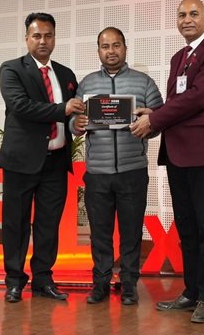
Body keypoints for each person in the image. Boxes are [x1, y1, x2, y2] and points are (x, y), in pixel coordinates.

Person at [130, 0, 204, 323]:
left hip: (202, 152)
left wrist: (156, 119)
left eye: (193, 14)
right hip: (176, 151)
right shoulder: (179, 57)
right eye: (181, 15)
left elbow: (198, 97)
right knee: (186, 227)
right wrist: (154, 112)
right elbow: (180, 100)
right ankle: (191, 291)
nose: (187, 19)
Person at [70, 27, 163, 305]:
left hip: (133, 172)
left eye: (116, 45)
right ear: (98, 50)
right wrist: (76, 124)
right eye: (105, 46)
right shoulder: (86, 84)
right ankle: (100, 283)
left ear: (125, 48)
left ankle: (129, 284)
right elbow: (73, 122)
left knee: (131, 232)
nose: (111, 51)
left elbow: (160, 118)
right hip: (97, 173)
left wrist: (150, 122)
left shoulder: (144, 83)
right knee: (100, 233)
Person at [0, 12, 85, 303]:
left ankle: (43, 280)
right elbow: (21, 106)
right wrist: (63, 110)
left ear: (55, 38)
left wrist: (77, 124)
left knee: (48, 224)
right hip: (21, 161)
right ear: (27, 39)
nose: (43, 41)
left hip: (56, 162)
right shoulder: (11, 69)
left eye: (48, 35)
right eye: (37, 36)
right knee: (16, 223)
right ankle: (14, 281)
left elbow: (72, 115)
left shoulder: (66, 74)